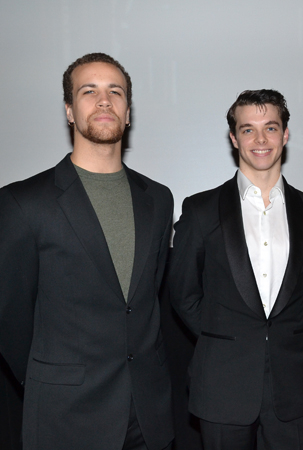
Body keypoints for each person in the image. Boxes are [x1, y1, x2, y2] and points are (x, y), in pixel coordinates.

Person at [0, 53, 174, 450]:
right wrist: (51, 379)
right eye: (88, 91)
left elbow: (146, 299)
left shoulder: (160, 199)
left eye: (116, 91)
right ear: (69, 110)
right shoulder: (23, 202)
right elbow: (9, 315)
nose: (103, 100)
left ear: (128, 112)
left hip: (149, 415)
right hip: (66, 415)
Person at [169, 89, 303, 450]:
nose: (260, 140)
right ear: (234, 138)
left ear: (285, 135)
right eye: (248, 130)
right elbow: (183, 294)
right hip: (221, 386)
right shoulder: (200, 210)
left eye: (270, 128)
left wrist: (282, 337)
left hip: (294, 389)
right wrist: (226, 336)